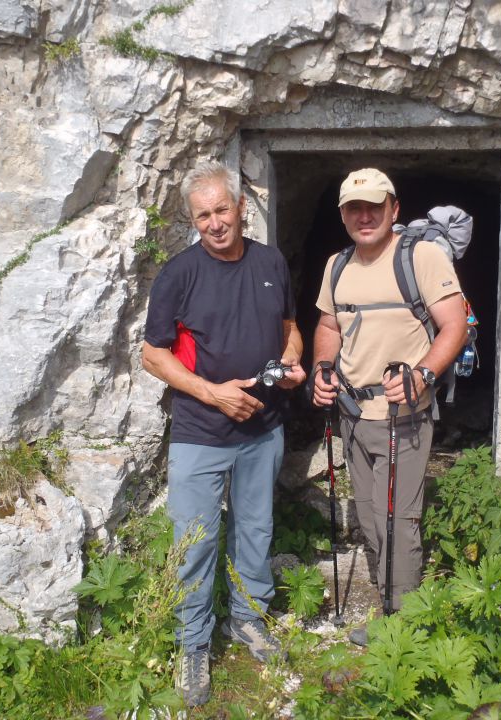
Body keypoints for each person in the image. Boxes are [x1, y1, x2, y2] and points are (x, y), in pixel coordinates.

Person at [141, 160, 306, 707]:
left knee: (255, 531)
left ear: (240, 207)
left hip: (263, 429)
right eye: (202, 215)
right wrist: (213, 393)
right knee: (195, 540)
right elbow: (152, 355)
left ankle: (248, 621)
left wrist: (290, 362)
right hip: (199, 432)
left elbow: (289, 328)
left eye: (221, 209)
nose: (214, 222)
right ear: (194, 221)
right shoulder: (178, 274)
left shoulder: (270, 261)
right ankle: (192, 645)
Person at [311, 168, 468, 645]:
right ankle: (388, 595)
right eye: (354, 208)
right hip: (354, 417)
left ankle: (401, 622)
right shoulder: (337, 266)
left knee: (397, 519)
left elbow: (454, 325)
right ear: (342, 215)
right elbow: (328, 327)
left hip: (405, 416)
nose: (364, 216)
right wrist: (322, 369)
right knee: (369, 515)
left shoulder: (420, 258)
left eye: (374, 207)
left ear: (393, 209)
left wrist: (423, 374)